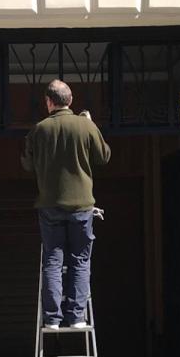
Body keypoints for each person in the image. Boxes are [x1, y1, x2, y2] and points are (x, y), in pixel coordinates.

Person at [21, 80, 111, 330]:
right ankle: (77, 317)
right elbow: (103, 156)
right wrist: (90, 125)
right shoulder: (85, 126)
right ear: (70, 101)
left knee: (53, 259)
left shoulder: (38, 130)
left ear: (49, 102)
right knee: (80, 260)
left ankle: (52, 319)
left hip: (49, 204)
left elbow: (27, 164)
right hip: (81, 205)